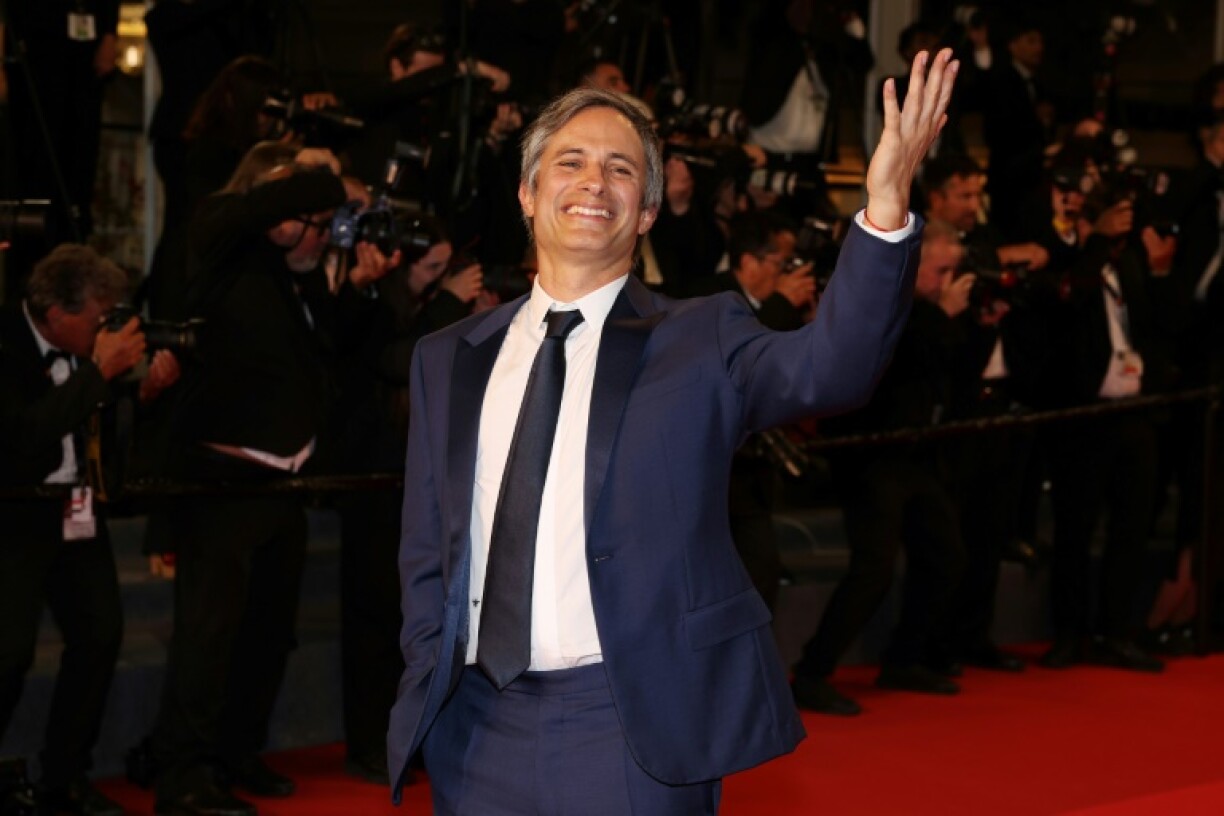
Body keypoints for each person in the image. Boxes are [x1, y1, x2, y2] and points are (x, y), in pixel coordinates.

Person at [387, 45, 958, 813]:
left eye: (622, 169)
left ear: (647, 211)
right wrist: (431, 672)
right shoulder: (446, 358)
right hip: (476, 730)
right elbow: (428, 547)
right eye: (571, 162)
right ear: (527, 192)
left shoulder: (702, 334)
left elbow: (834, 367)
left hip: (631, 727)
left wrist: (884, 205)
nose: (595, 181)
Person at [148, 142, 395, 816]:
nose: (317, 226)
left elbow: (334, 351)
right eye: (304, 210)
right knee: (210, 634)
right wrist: (325, 177)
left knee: (265, 635)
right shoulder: (220, 237)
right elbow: (265, 203)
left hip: (282, 485)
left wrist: (365, 285)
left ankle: (232, 753)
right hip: (223, 481)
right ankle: (182, 773)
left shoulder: (297, 273)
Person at [0, 244, 178, 816]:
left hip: (78, 512)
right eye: (97, 318)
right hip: (16, 515)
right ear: (55, 315)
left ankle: (65, 775)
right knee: (9, 653)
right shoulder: (6, 344)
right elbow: (23, 438)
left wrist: (143, 395)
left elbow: (111, 435)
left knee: (100, 635)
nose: (108, 328)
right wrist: (100, 370)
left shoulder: (93, 351)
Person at [791, 221, 970, 717]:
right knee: (873, 569)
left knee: (946, 555)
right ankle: (812, 672)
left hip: (918, 456)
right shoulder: (894, 302)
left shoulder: (936, 315)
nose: (948, 281)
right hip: (873, 459)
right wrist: (945, 316)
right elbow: (913, 354)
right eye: (941, 271)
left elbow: (955, 369)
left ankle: (904, 658)